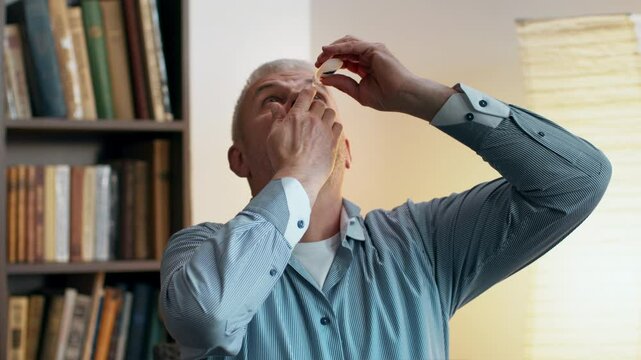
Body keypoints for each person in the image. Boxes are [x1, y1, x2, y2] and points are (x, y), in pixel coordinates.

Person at [159, 36, 611, 359]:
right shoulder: (198, 252)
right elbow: (208, 319)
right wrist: (297, 174)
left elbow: (577, 181)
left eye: (315, 94)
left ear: (346, 149)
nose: (301, 105)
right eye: (274, 100)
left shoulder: (422, 242)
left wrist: (420, 96)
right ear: (239, 160)